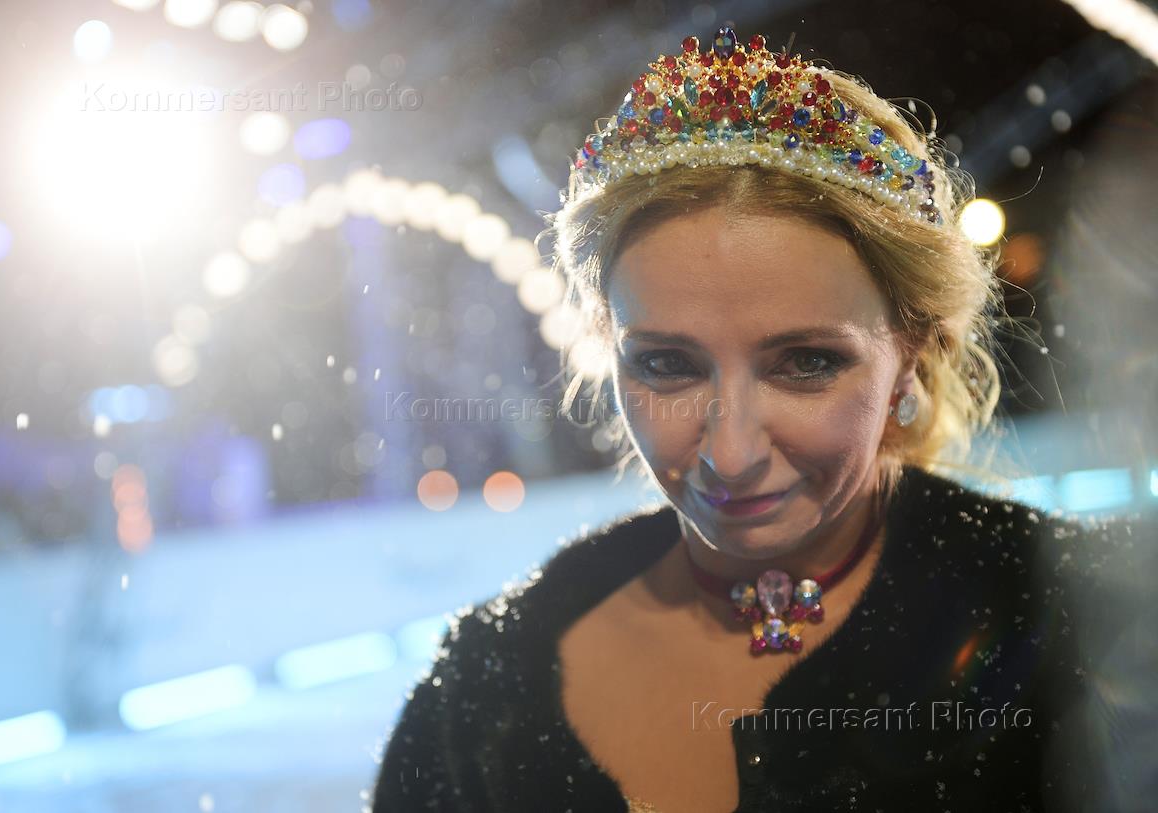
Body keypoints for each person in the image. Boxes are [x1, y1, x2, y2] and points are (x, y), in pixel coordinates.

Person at [369, 28, 1146, 813]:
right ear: (608, 349)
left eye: (805, 363)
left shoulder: (1098, 628)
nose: (732, 452)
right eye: (666, 365)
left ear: (910, 354)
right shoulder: (486, 692)